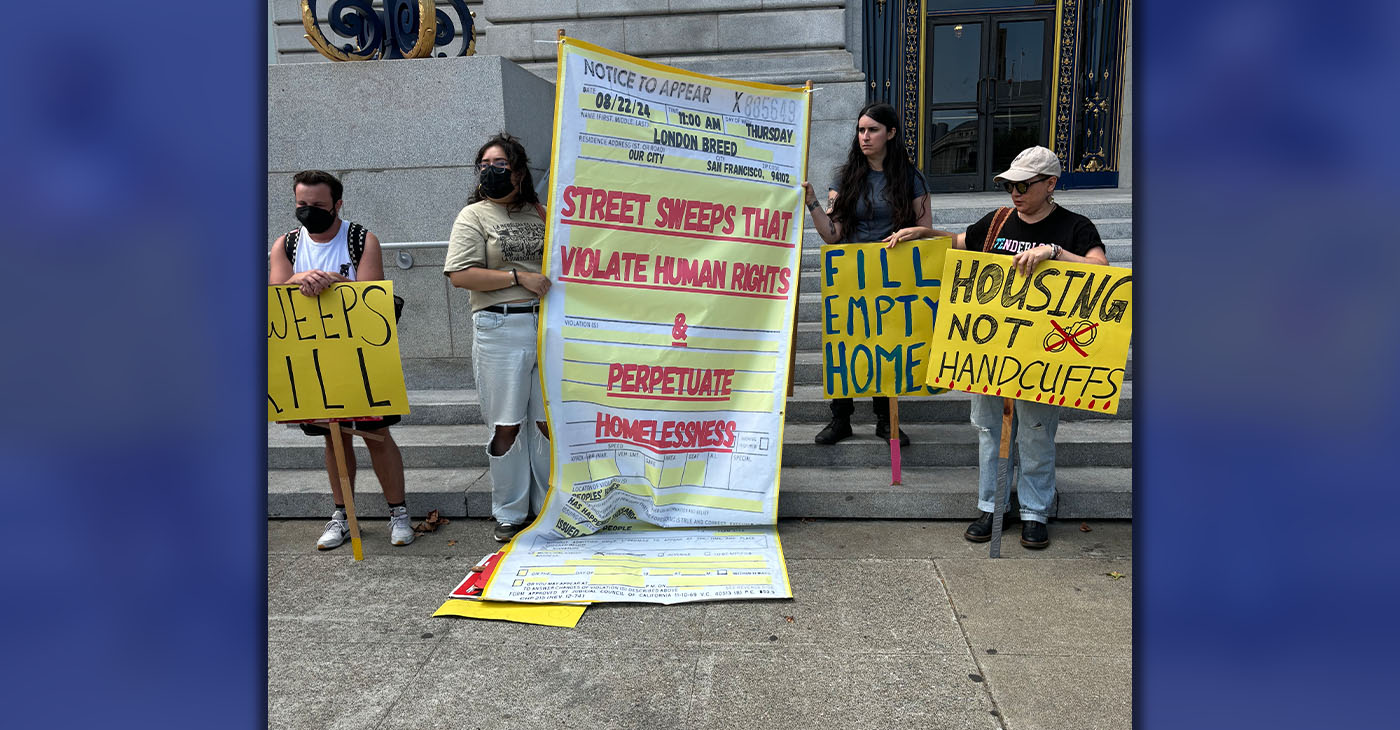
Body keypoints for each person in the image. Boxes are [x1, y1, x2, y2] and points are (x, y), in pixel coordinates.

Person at [886, 145, 1108, 549]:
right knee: (990, 430)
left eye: (1024, 184)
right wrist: (924, 233)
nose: (1015, 193)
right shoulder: (998, 221)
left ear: (1050, 184)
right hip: (989, 353)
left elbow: (1100, 269)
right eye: (1010, 185)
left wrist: (1054, 253)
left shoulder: (1075, 226)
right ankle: (991, 505)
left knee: (1037, 433)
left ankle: (1035, 512)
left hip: (1044, 355)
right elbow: (960, 242)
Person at [269, 170, 415, 550]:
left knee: (378, 435)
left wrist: (335, 283)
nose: (308, 212)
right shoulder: (285, 245)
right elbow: (276, 290)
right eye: (302, 205)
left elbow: (372, 296)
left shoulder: (362, 240)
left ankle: (398, 511)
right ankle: (343, 514)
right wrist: (300, 280)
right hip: (312, 360)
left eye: (317, 205)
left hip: (362, 359)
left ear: (337, 204)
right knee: (333, 441)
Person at [802, 102, 955, 446]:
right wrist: (813, 203)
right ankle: (841, 418)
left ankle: (886, 421)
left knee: (886, 342)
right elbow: (832, 233)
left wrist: (908, 236)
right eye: (860, 130)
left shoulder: (911, 179)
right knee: (846, 343)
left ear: (891, 133)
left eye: (872, 130)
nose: (865, 137)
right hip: (852, 277)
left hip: (894, 274)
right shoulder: (845, 178)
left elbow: (925, 231)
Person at [444, 134, 552, 543]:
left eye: (500, 163)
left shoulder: (541, 213)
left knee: (544, 423)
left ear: (519, 171)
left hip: (545, 326)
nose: (491, 170)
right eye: (485, 163)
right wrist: (518, 277)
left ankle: (546, 506)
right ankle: (509, 511)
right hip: (499, 326)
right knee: (507, 424)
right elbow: (459, 275)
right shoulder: (473, 216)